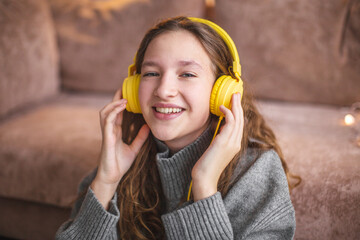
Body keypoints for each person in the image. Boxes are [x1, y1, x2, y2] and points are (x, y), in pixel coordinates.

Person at [56, 16, 299, 240]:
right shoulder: (122, 162)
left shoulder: (258, 170)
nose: (163, 90)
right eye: (151, 73)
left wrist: (203, 185)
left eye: (187, 74)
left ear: (223, 92)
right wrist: (106, 182)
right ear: (133, 86)